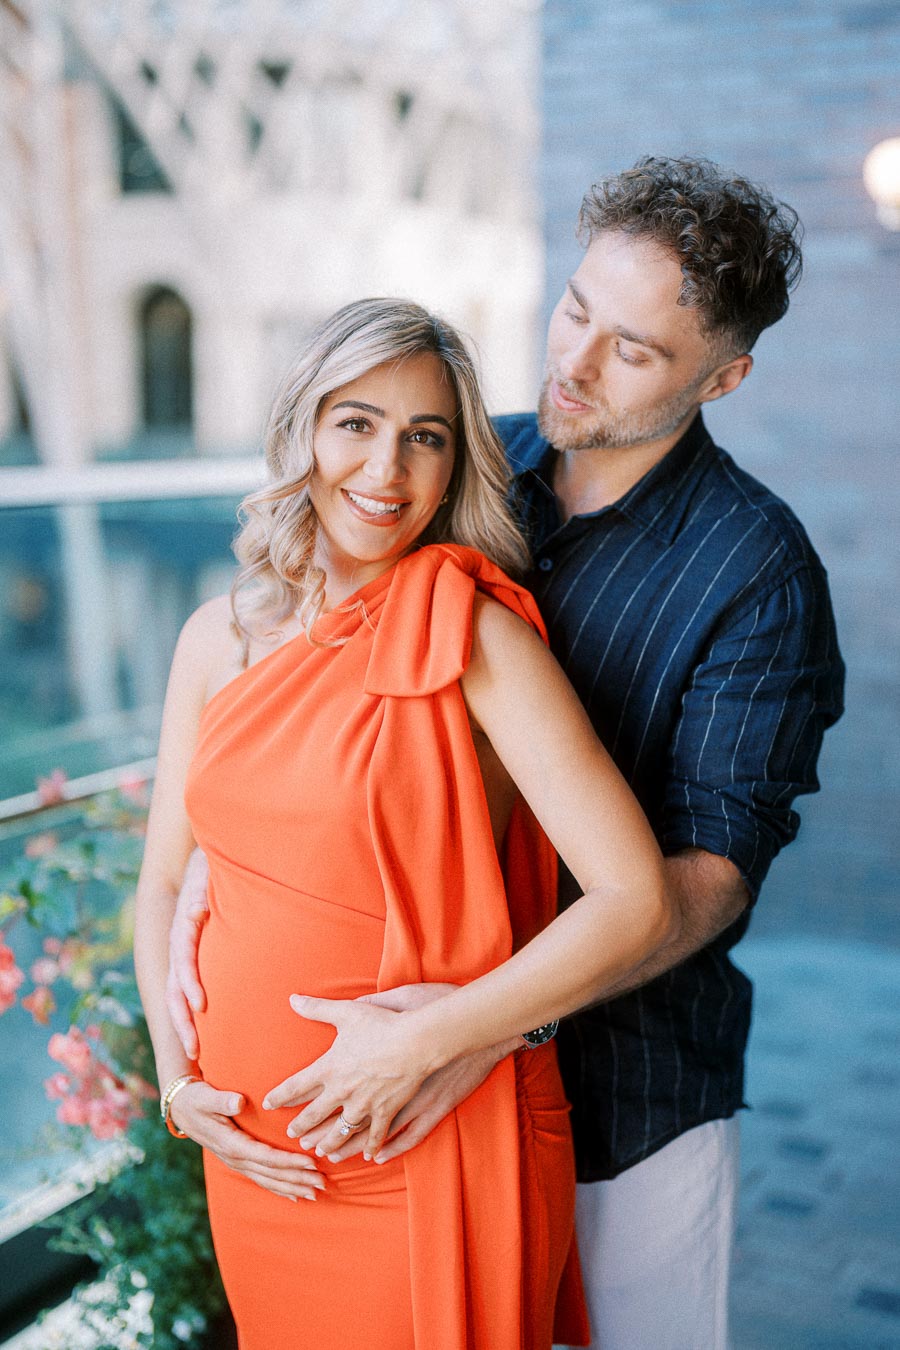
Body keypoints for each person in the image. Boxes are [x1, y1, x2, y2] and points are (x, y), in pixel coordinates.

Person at [167, 158, 845, 1348]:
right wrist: (209, 884)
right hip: (376, 1112)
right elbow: (311, 698)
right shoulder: (460, 470)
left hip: (628, 1097)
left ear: (724, 377)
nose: (575, 361)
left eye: (633, 349)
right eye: (576, 308)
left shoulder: (759, 573)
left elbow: (705, 885)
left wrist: (468, 1026)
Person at [134, 298, 681, 1350]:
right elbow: (166, 880)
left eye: (424, 438)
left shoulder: (475, 635)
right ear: (303, 428)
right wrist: (176, 1081)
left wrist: (429, 1042)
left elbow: (634, 898)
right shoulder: (217, 636)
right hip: (252, 1155)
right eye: (358, 424)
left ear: (453, 466)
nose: (386, 470)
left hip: (420, 1137)